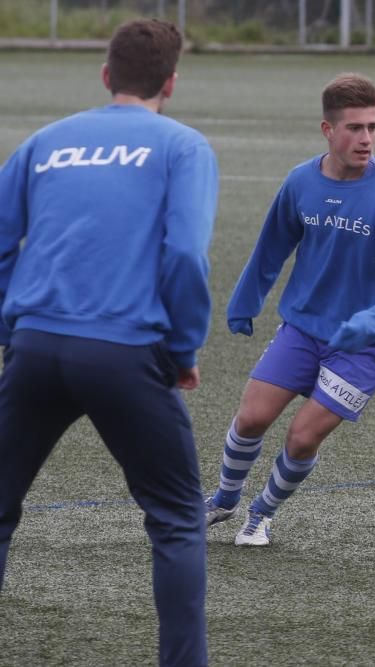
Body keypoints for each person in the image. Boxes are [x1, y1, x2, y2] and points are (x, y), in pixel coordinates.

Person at [0, 19, 216, 666]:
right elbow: (184, 256)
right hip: (124, 352)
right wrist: (183, 351)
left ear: (104, 75)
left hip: (35, 347)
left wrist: (14, 330)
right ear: (171, 84)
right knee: (177, 516)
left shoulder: (45, 141)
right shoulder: (183, 147)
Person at [203, 73, 375, 547]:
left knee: (302, 438)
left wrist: (372, 322)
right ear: (328, 130)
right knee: (251, 419)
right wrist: (246, 299)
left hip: (367, 344)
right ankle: (223, 500)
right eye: (354, 128)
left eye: (373, 127)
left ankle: (261, 514)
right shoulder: (301, 182)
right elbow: (272, 246)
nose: (365, 138)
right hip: (303, 327)